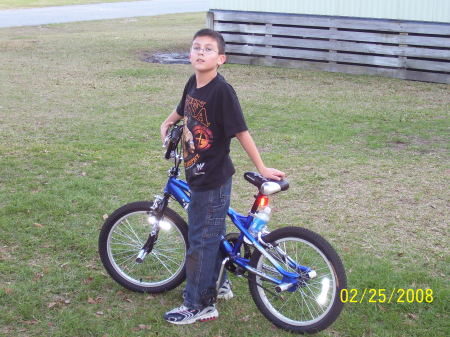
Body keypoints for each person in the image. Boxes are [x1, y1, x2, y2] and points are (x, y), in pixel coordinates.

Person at [160, 28, 285, 325]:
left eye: (208, 49)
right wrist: (167, 122)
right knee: (209, 233)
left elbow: (240, 131)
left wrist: (264, 167)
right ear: (190, 54)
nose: (201, 53)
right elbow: (182, 109)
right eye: (196, 48)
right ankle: (219, 284)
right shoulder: (193, 82)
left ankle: (200, 304)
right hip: (196, 171)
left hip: (213, 178)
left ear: (221, 59)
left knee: (201, 240)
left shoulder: (222, 91)